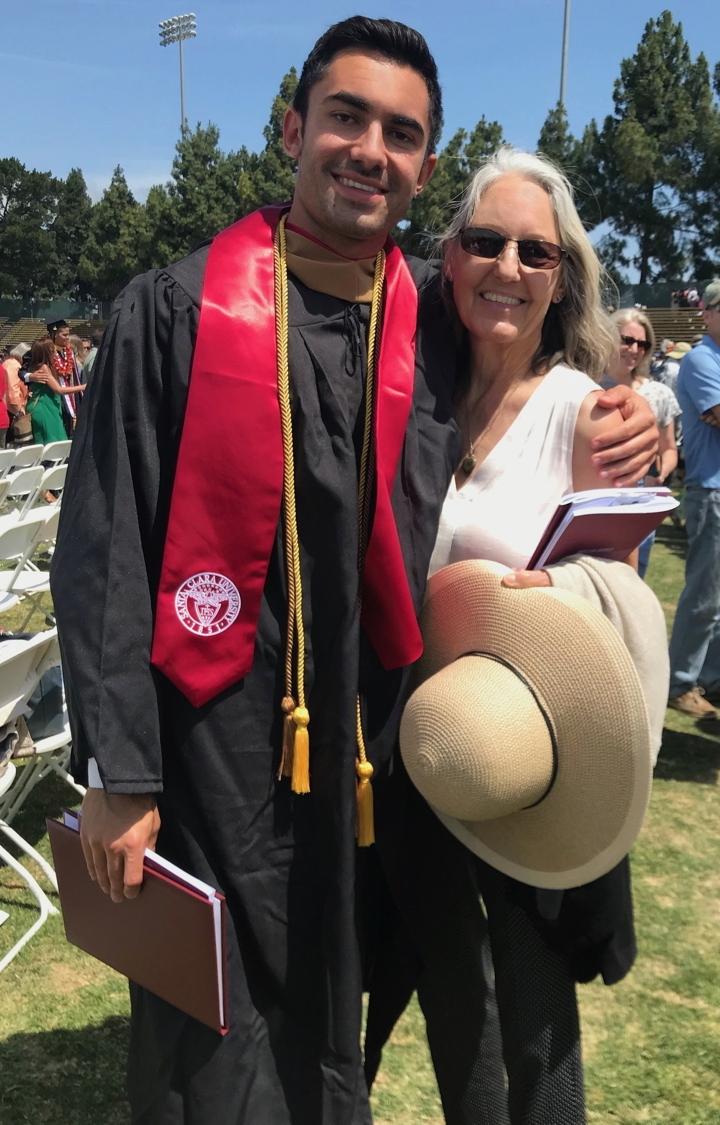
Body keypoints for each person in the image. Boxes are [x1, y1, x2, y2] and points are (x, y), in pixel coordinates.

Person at [51, 18, 658, 1125]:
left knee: (356, 1023)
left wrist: (622, 419)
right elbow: (106, 549)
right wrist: (122, 771)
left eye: (402, 132)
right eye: (346, 116)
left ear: (425, 167)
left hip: (379, 754)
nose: (369, 148)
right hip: (213, 751)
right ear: (294, 129)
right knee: (219, 1044)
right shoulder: (175, 311)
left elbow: (527, 348)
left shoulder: (426, 308)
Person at [365, 146, 666, 1125]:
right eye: (485, 242)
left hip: (526, 760)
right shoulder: (407, 398)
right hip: (412, 749)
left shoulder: (590, 414)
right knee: (427, 991)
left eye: (535, 252)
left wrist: (558, 598)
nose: (508, 266)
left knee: (530, 1026)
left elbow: (620, 590)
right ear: (449, 260)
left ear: (561, 277)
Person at [667, 279, 720, 719]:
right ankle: (681, 682)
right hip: (712, 489)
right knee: (704, 595)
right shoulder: (702, 359)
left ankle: (711, 678)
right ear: (707, 313)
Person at [606, 309, 680, 577]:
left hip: (640, 506)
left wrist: (659, 472)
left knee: (634, 586)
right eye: (626, 340)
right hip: (592, 505)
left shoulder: (659, 394)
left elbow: (669, 449)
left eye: (643, 344)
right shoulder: (584, 386)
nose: (634, 349)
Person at [25, 338, 86, 445]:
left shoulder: (42, 365)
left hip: (48, 406)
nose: (55, 352)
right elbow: (58, 389)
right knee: (52, 442)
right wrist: (82, 387)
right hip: (44, 407)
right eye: (52, 350)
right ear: (46, 352)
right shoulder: (43, 367)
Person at [47, 318, 82, 435]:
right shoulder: (46, 351)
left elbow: (75, 377)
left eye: (68, 334)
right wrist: (30, 376)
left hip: (71, 395)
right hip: (54, 398)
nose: (67, 337)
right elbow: (25, 369)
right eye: (64, 335)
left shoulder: (69, 352)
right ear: (54, 335)